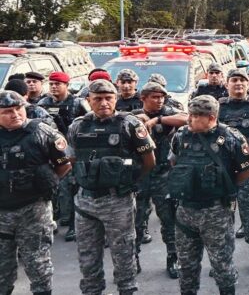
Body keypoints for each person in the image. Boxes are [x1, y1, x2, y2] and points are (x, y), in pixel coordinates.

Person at [67, 79, 156, 295]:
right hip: (86, 202)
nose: (104, 103)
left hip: (118, 202)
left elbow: (149, 160)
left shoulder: (129, 124)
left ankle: (127, 289)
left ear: (115, 99)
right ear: (89, 100)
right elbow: (71, 159)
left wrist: (128, 182)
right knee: (88, 256)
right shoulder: (78, 125)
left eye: (109, 98)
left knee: (123, 252)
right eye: (98, 99)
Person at [169, 94, 249, 295]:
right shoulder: (181, 136)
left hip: (216, 212)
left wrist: (225, 187)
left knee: (222, 265)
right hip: (186, 210)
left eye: (195, 116)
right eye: (189, 114)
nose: (189, 119)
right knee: (186, 266)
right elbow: (175, 163)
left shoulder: (231, 138)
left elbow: (245, 170)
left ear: (211, 117)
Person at [0, 90, 71, 295]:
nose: (15, 114)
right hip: (2, 211)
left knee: (37, 263)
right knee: (2, 267)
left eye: (19, 108)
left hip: (33, 210)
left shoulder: (42, 132)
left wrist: (47, 183)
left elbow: (64, 164)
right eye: (7, 111)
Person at [131, 82, 187, 279]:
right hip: (140, 175)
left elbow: (186, 119)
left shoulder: (167, 112)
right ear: (143, 98)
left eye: (161, 96)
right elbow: (119, 119)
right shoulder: (133, 114)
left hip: (163, 174)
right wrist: (138, 119)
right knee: (136, 219)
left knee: (169, 218)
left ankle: (173, 257)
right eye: (154, 97)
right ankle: (133, 258)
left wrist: (157, 120)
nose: (159, 100)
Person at [218, 68, 249, 277]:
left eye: (242, 80)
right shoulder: (218, 108)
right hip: (223, 174)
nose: (238, 83)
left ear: (248, 84)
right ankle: (223, 260)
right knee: (221, 220)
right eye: (234, 80)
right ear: (227, 84)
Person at [38, 71, 88, 242]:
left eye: (57, 84)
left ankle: (74, 226)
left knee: (73, 187)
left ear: (66, 85)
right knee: (52, 188)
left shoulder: (77, 103)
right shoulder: (43, 103)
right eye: (51, 84)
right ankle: (52, 222)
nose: (53, 87)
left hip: (72, 152)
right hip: (50, 152)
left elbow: (88, 123)